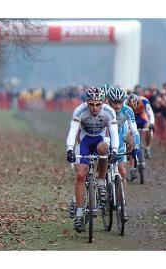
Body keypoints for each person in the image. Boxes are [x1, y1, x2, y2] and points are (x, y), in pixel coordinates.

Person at [66, 86, 119, 232]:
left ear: (103, 103)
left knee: (104, 149)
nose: (95, 108)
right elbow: (72, 131)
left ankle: (101, 181)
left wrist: (114, 150)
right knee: (81, 175)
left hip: (100, 140)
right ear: (87, 102)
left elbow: (114, 134)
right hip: (84, 142)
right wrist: (69, 149)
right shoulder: (79, 110)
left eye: (98, 104)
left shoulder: (109, 111)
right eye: (91, 104)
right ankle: (79, 214)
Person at [106, 87, 141, 220]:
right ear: (109, 101)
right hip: (105, 136)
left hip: (119, 138)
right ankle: (102, 189)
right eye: (114, 102)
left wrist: (136, 146)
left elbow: (134, 130)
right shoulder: (104, 109)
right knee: (102, 166)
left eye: (120, 102)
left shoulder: (128, 110)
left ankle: (122, 204)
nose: (117, 106)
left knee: (122, 172)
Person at [126, 94, 155, 160]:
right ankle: (128, 150)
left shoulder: (144, 101)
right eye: (131, 106)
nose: (134, 107)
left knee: (148, 128)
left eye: (135, 105)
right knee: (128, 135)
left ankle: (148, 148)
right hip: (131, 118)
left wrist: (151, 124)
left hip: (142, 117)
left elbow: (150, 114)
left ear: (138, 102)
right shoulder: (125, 103)